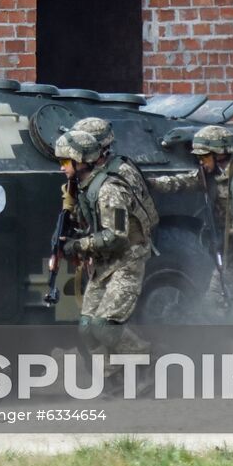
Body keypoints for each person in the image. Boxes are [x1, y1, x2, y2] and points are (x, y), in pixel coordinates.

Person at [147, 125, 233, 328]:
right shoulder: (210, 173)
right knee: (210, 307)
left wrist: (231, 231)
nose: (200, 161)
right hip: (231, 252)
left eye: (204, 156)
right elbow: (181, 182)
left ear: (219, 154)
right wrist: (150, 183)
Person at [54, 130, 152, 394]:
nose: (61, 168)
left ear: (80, 160)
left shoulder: (109, 190)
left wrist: (79, 245)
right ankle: (113, 376)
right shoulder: (82, 188)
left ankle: (146, 362)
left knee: (104, 326)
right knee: (86, 328)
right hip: (102, 265)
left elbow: (116, 236)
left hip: (126, 262)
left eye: (65, 162)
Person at [72, 116, 160, 236]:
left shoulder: (115, 179)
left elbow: (118, 233)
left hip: (128, 249)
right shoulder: (106, 167)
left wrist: (81, 245)